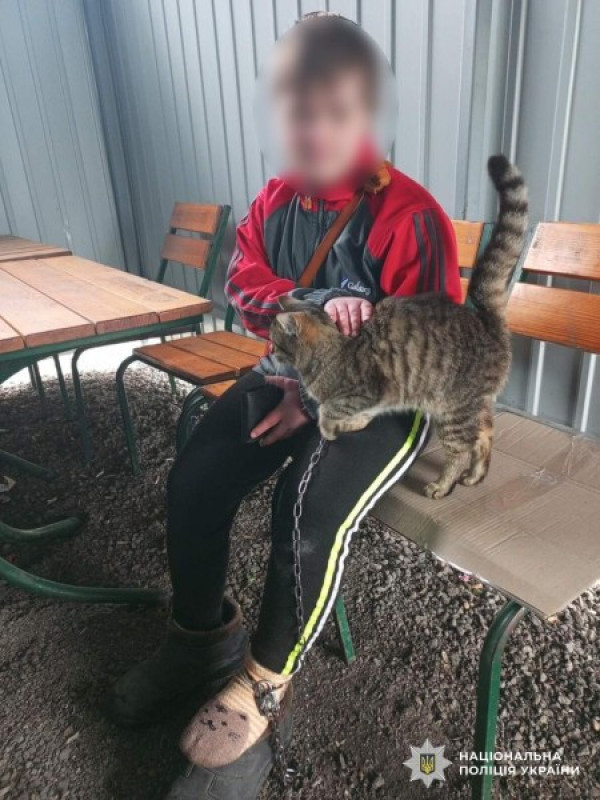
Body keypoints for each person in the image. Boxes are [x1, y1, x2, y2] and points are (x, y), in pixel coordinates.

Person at [108, 13, 461, 799]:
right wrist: (314, 323)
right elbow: (244, 291)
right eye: (299, 111)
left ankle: (261, 689)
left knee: (302, 509)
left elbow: (431, 346)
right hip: (293, 371)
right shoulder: (273, 202)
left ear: (367, 114)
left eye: (336, 112)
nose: (315, 131)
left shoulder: (409, 216)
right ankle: (199, 638)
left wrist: (323, 392)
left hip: (389, 396)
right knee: (196, 475)